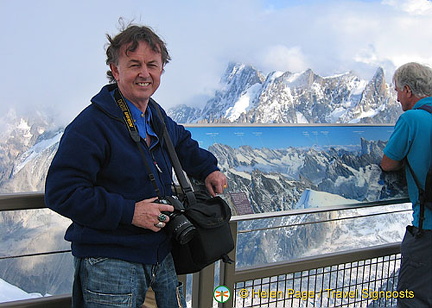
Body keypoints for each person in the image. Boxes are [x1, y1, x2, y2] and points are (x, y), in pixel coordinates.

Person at [45, 23, 228, 308]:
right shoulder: (91, 126)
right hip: (110, 263)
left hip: (160, 255)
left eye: (152, 65)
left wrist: (209, 168)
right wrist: (129, 212)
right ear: (115, 70)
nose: (145, 73)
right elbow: (61, 192)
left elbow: (181, 143)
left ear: (161, 71)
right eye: (134, 65)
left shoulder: (155, 114)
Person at [380, 62, 432, 307]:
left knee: (414, 299)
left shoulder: (411, 119)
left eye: (398, 90)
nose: (397, 96)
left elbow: (388, 163)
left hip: (428, 230)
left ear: (408, 90)